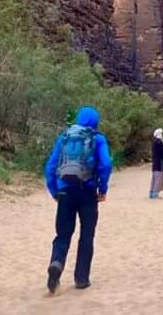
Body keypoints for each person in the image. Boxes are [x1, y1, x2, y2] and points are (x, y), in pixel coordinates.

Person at [43, 106, 113, 294]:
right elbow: (106, 164)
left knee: (63, 234)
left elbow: (50, 166)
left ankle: (56, 262)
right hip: (88, 193)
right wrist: (103, 188)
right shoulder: (98, 139)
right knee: (86, 235)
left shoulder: (64, 137)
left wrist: (54, 190)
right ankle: (81, 279)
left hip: (65, 191)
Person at [149, 128, 163, 199]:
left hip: (155, 163)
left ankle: (151, 193)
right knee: (158, 179)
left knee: (154, 178)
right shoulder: (159, 142)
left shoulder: (154, 142)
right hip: (160, 164)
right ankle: (155, 194)